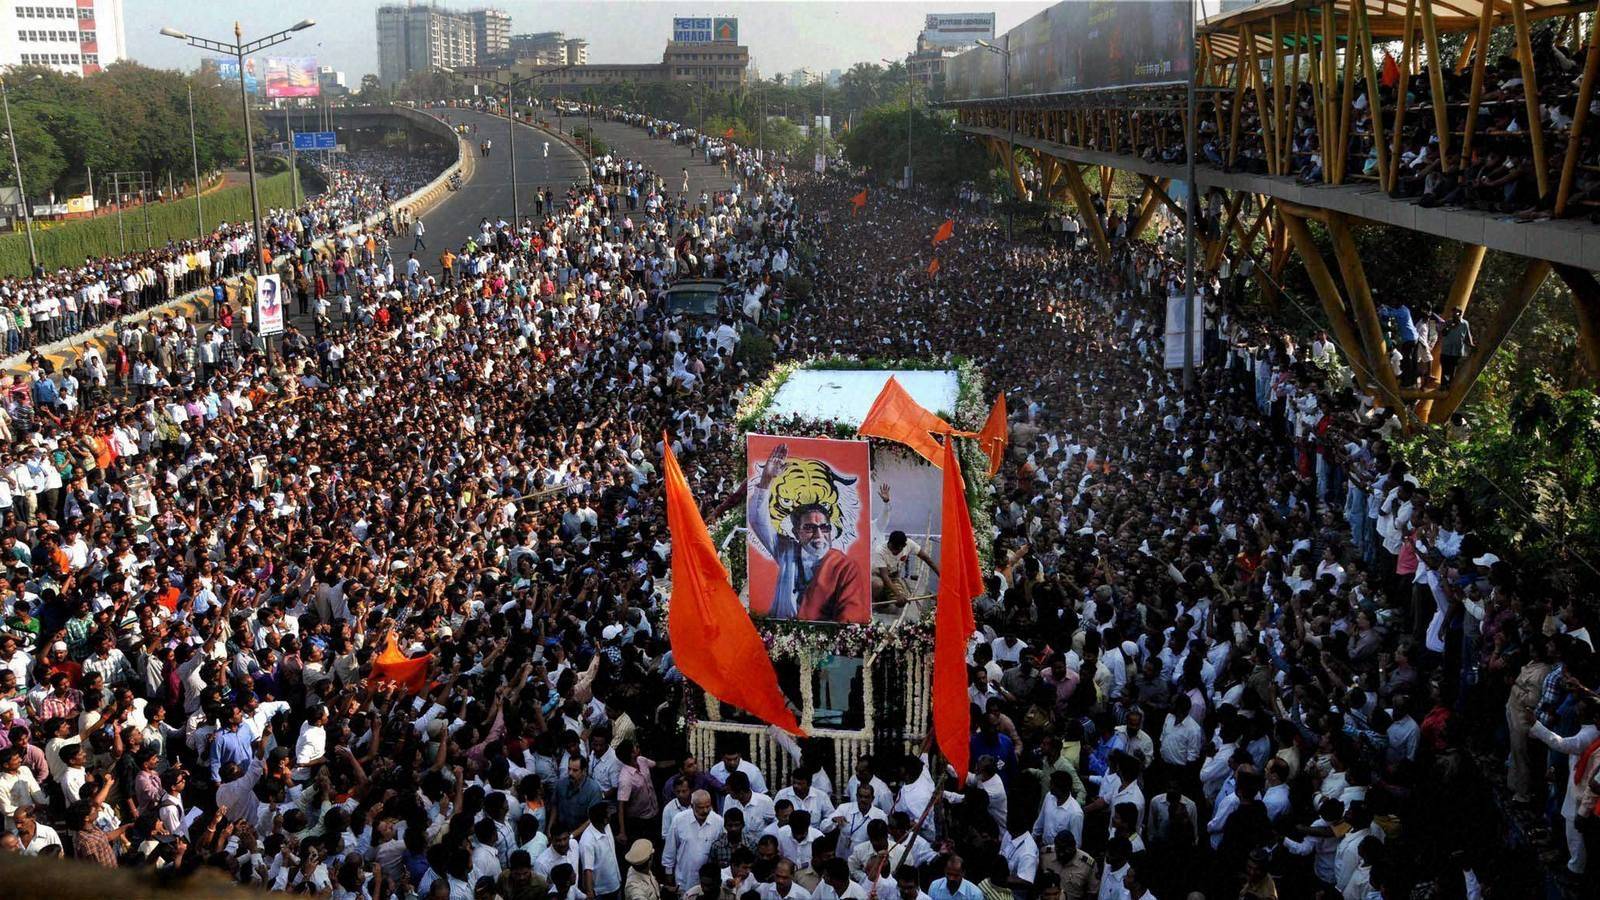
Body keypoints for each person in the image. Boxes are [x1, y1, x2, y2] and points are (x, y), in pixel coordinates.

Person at [747, 443, 868, 622]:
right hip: (783, 634)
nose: (819, 536)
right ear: (796, 532)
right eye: (809, 528)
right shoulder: (786, 551)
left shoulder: (843, 567)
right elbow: (758, 521)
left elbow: (850, 614)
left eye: (824, 528)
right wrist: (766, 480)